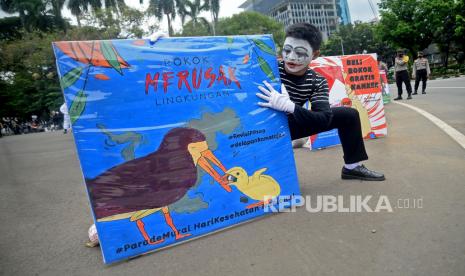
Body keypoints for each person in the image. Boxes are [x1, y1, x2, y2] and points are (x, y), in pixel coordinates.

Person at [256, 23, 384, 181]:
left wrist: (289, 107)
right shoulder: (268, 68)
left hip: (290, 126)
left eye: (300, 52)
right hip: (258, 129)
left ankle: (352, 167)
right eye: (287, 50)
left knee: (348, 115)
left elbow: (324, 118)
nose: (291, 57)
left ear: (315, 55)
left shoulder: (317, 81)